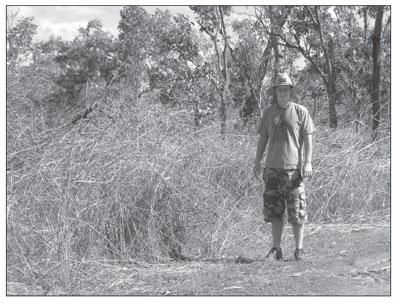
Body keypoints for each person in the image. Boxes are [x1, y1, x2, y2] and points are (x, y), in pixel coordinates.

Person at [253, 72, 314, 261]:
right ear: (275, 91)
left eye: (286, 89)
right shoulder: (269, 112)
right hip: (272, 169)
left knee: (297, 211)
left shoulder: (300, 111)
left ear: (291, 91)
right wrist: (257, 162)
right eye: (280, 89)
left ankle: (299, 250)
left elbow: (308, 137)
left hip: (293, 170)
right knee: (274, 212)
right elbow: (263, 139)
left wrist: (308, 162)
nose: (283, 92)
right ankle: (276, 249)